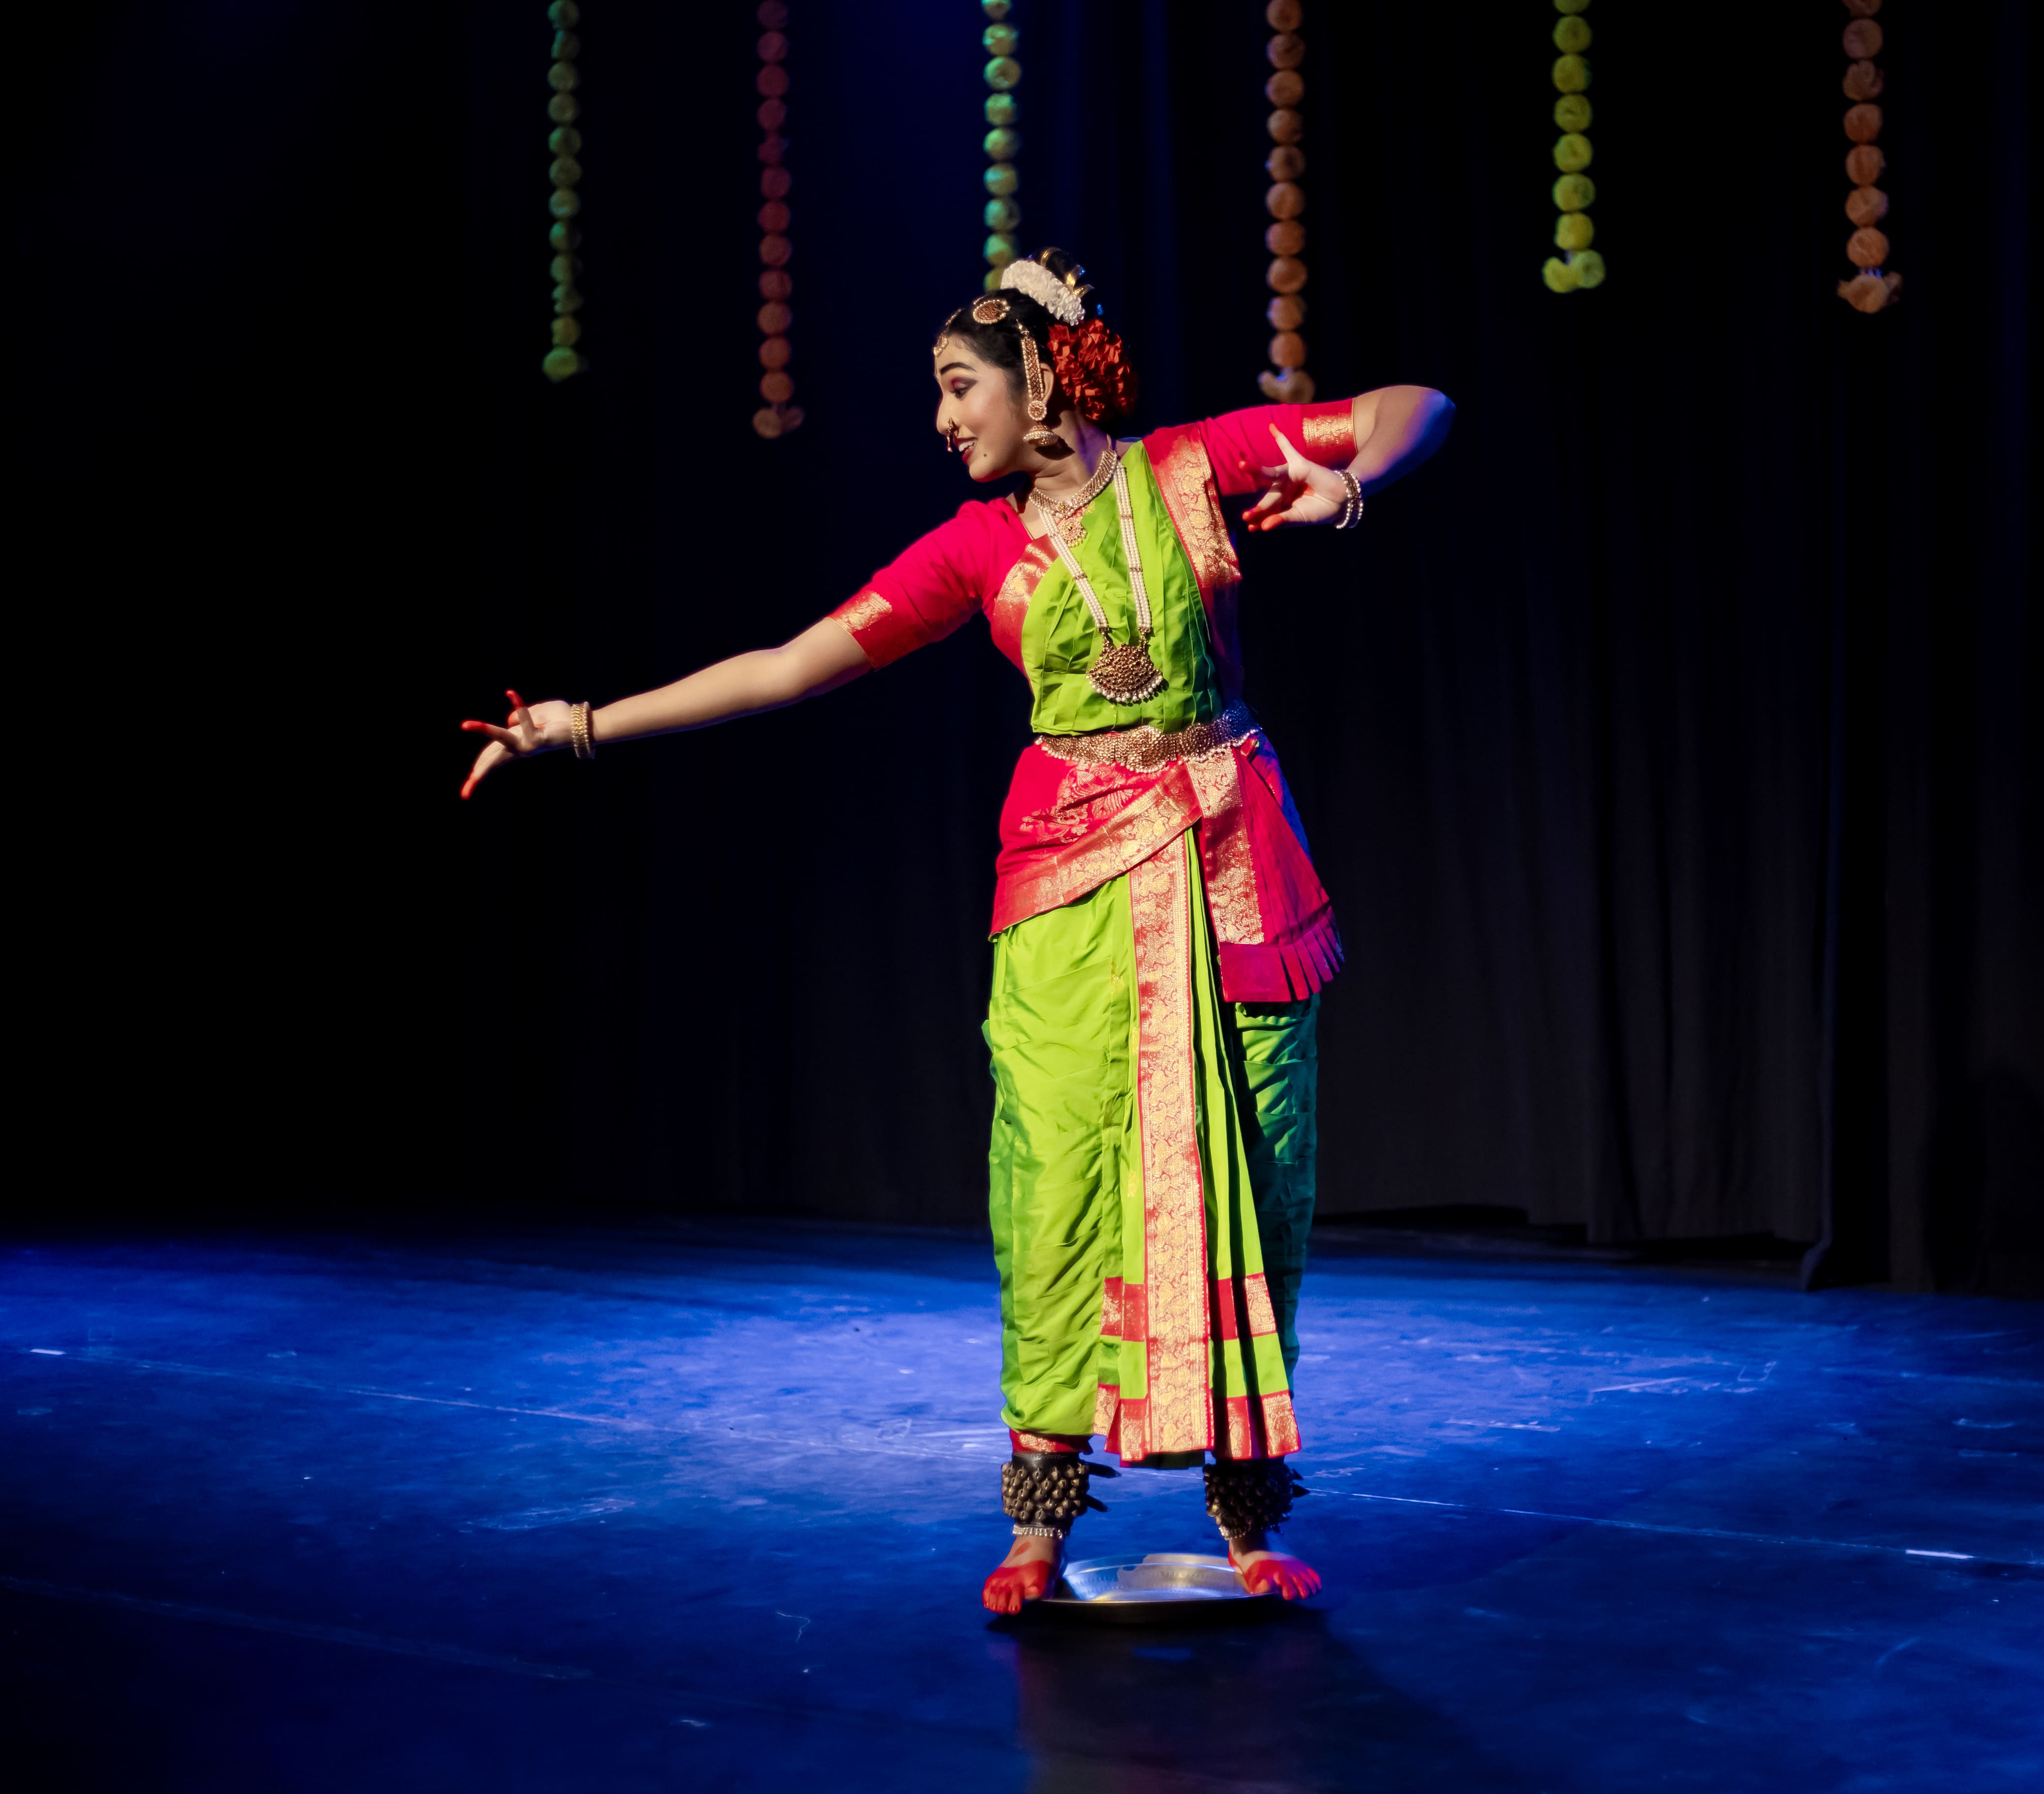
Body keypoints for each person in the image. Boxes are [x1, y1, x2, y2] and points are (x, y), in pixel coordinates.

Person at [459, 249, 1454, 1615]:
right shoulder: (975, 548)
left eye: (956, 385)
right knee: (1051, 1189)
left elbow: (1417, 402)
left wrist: (1354, 488)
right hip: (1069, 893)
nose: (940, 417)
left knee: (1254, 1174)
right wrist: (583, 726)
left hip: (1230, 874)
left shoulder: (1187, 469)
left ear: (1042, 378)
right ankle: (1040, 1525)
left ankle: (1244, 1512)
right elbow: (790, 664)